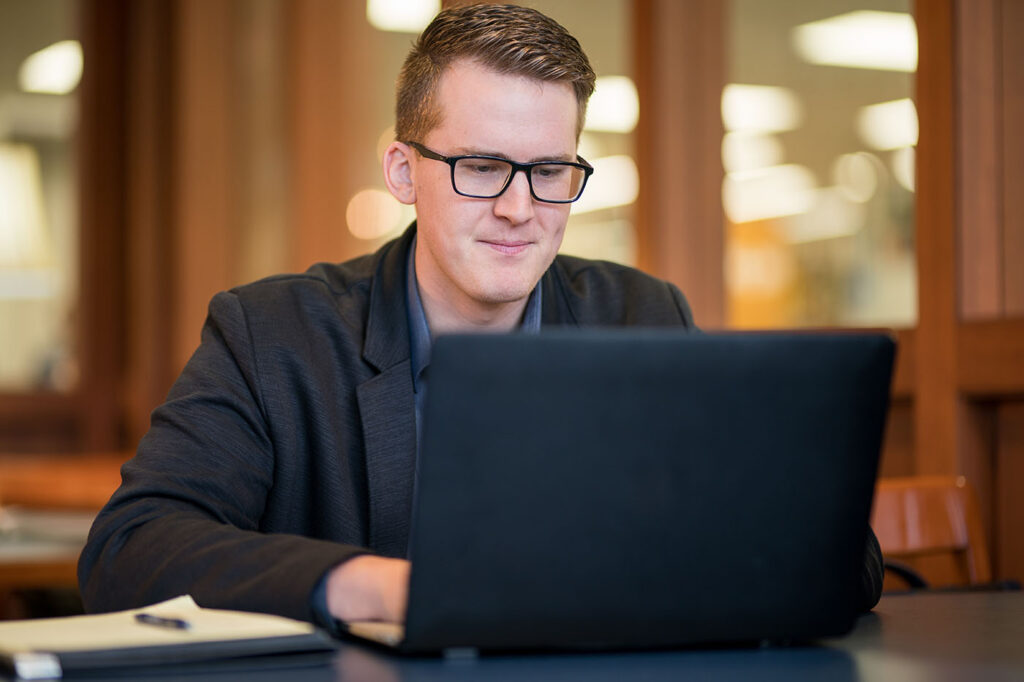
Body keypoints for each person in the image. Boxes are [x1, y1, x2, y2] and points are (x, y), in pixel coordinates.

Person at [78, 3, 882, 629]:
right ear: (403, 170)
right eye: (482, 167)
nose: (518, 209)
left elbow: (834, 560)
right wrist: (377, 587)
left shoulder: (640, 314)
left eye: (550, 172)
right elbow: (129, 550)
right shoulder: (273, 333)